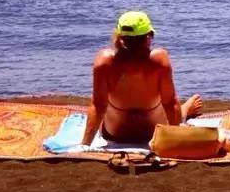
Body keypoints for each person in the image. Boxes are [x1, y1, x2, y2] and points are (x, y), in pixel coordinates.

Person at [81, 11, 202, 145]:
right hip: (153, 132)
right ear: (149, 36)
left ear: (119, 36)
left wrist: (84, 145)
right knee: (170, 103)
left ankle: (186, 109)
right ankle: (185, 110)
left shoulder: (104, 61)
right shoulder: (159, 60)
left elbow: (98, 106)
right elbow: (170, 104)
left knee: (103, 103)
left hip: (115, 134)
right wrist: (176, 141)